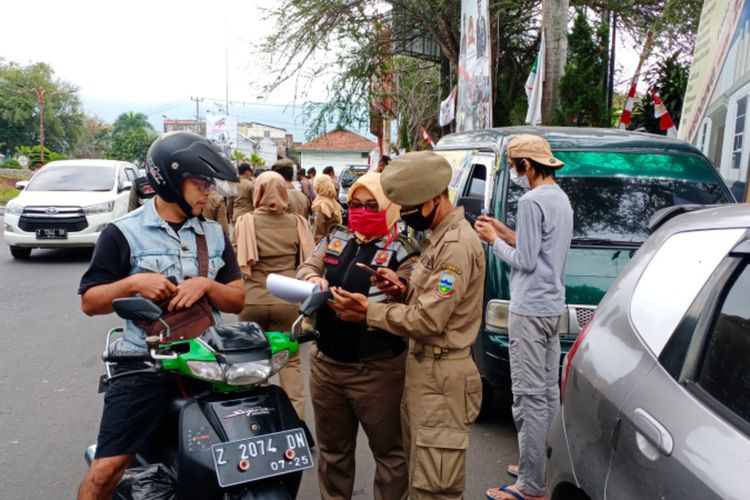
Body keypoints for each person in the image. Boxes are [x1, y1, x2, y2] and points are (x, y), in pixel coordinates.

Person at [77, 132, 244, 500]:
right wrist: (133, 284)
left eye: (209, 183)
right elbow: (90, 302)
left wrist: (206, 285)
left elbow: (237, 300)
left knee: (234, 456)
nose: (208, 192)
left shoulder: (214, 234)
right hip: (143, 365)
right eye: (200, 182)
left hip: (208, 363)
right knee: (106, 470)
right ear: (170, 179)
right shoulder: (122, 233)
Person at [329, 151, 485, 500]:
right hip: (425, 371)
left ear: (435, 199)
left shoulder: (456, 245)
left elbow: (429, 319)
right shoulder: (439, 237)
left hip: (442, 375)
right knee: (419, 476)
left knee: (434, 487)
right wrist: (403, 289)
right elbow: (429, 299)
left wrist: (369, 311)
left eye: (411, 208)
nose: (405, 216)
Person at [296, 172, 419, 500]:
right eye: (356, 204)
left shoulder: (404, 250)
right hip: (326, 366)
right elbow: (307, 267)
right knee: (333, 453)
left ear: (389, 207)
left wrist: (397, 284)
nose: (362, 211)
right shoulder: (336, 237)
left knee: (391, 455)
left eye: (371, 205)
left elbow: (410, 290)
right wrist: (313, 280)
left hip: (378, 370)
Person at [475, 135, 573, 500]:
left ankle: (530, 486)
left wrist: (491, 240)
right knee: (548, 394)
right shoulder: (559, 198)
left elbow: (526, 261)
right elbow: (539, 247)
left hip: (529, 310)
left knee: (529, 397)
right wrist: (501, 230)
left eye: (516, 165)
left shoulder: (532, 200)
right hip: (552, 307)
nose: (516, 172)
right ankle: (538, 466)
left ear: (527, 165)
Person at [233, 171, 315, 424]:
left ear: (257, 192)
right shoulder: (298, 222)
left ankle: (257, 423)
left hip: (252, 301)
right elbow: (308, 258)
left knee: (255, 363)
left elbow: (237, 259)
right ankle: (295, 423)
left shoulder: (245, 222)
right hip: (288, 302)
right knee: (290, 363)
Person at [310, 174, 342, 243]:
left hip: (323, 243)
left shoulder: (321, 204)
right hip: (334, 240)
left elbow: (318, 231)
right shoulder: (332, 201)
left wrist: (314, 248)